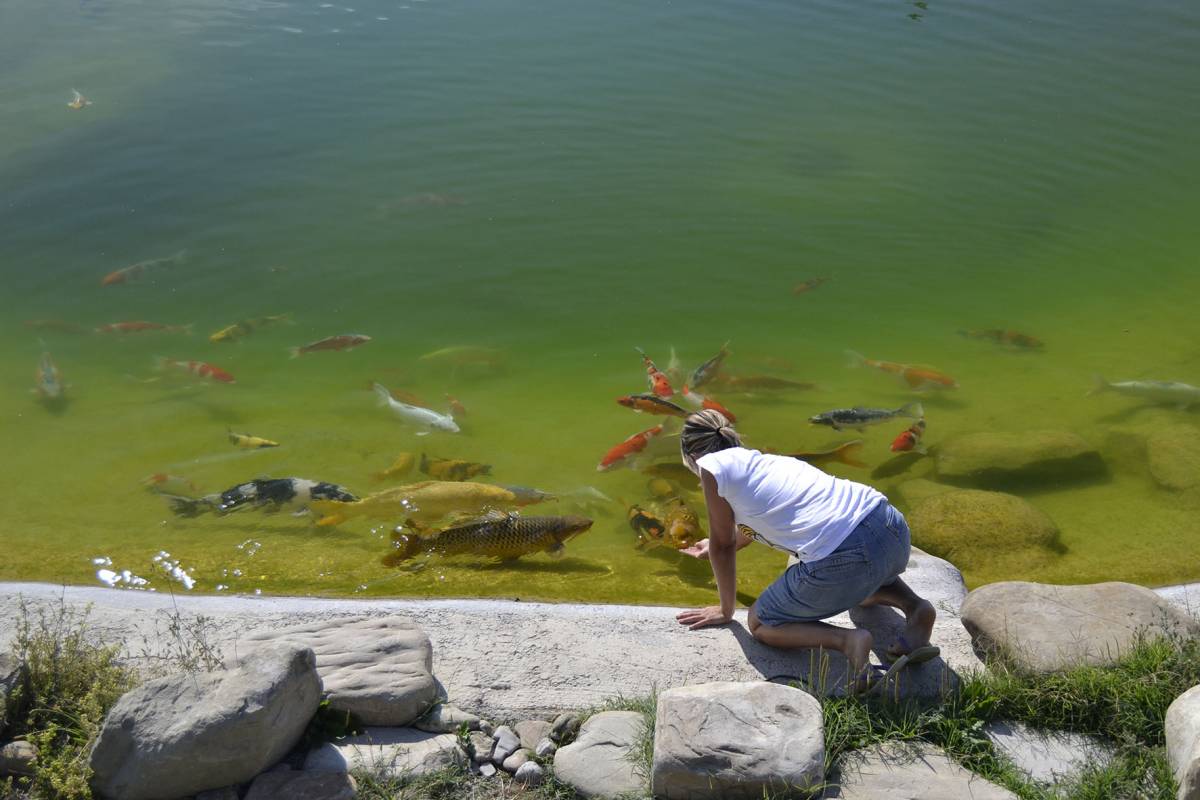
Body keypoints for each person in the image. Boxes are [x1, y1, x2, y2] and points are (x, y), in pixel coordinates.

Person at [674, 410, 939, 690]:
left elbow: (724, 545)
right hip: (891, 528)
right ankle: (917, 607)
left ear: (691, 456)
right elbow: (750, 526)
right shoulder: (765, 462)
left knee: (763, 622)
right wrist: (713, 543)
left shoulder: (711, 467)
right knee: (857, 579)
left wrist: (725, 611)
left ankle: (848, 641)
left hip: (846, 557)